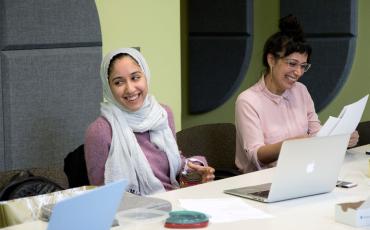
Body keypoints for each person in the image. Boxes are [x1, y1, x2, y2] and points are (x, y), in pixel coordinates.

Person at [235, 15, 359, 173]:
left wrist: (340, 138)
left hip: (300, 171)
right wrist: (291, 144)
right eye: (292, 64)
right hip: (260, 181)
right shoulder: (247, 101)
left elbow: (316, 132)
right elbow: (256, 155)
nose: (298, 72)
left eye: (303, 66)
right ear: (271, 60)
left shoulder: (301, 90)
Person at [85, 47, 215, 195]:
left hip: (174, 200)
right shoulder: (100, 131)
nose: (130, 89)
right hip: (132, 212)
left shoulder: (162, 114)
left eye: (135, 78)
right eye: (118, 82)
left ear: (145, 76)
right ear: (108, 87)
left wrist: (195, 172)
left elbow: (174, 163)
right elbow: (101, 193)